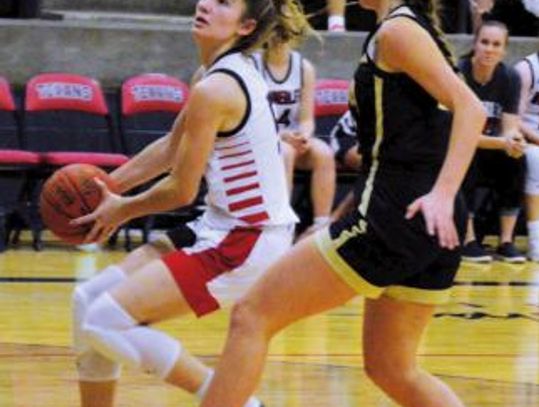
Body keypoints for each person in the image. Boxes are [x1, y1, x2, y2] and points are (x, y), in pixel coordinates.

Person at [199, 1, 486, 406]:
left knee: (251, 315)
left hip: (398, 214)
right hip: (426, 219)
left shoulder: (397, 32)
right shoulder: (405, 30)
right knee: (392, 367)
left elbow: (471, 109)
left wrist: (442, 192)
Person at [70, 1, 308, 406]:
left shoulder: (216, 89)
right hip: (219, 226)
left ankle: (235, 401)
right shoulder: (213, 74)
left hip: (247, 240)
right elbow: (170, 147)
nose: (205, 5)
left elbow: (181, 190)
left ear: (246, 25)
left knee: (104, 321)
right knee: (86, 301)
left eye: (223, 3)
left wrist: (120, 209)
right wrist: (108, 186)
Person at [251, 24, 336, 237]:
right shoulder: (253, 65)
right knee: (285, 152)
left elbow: (306, 118)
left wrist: (305, 135)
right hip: (259, 140)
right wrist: (280, 137)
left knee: (323, 152)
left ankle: (320, 225)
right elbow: (251, 119)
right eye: (275, 33)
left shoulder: (304, 68)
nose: (280, 39)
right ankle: (281, 223)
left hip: (291, 139)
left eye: (284, 34)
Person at [459, 20, 527, 263]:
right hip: (458, 145)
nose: (489, 49)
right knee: (466, 159)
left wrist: (515, 141)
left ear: (504, 50)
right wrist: (502, 143)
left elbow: (509, 128)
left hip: (489, 145)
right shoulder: (459, 74)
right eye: (484, 42)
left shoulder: (509, 77)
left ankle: (506, 242)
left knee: (517, 160)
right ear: (475, 44)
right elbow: (460, 135)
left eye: (496, 44)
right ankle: (467, 240)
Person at [515, 51, 539, 260]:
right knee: (537, 159)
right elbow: (514, 118)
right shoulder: (527, 69)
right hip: (525, 138)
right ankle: (536, 242)